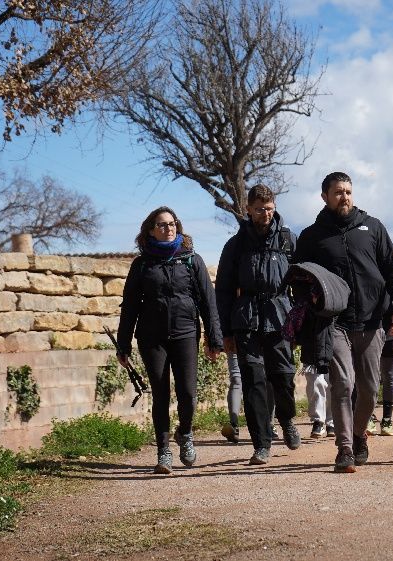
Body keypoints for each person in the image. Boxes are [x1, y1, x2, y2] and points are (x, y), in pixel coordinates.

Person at [294, 171, 393, 473]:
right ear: (325, 197)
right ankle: (344, 448)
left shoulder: (372, 227)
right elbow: (299, 279)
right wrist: (313, 298)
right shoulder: (312, 236)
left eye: (348, 191)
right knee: (343, 383)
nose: (344, 197)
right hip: (335, 323)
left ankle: (359, 435)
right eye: (338, 192)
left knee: (370, 388)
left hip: (372, 321)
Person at [117, 206, 223, 474]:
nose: (168, 228)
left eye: (172, 223)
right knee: (161, 393)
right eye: (162, 225)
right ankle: (163, 451)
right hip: (152, 338)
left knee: (188, 393)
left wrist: (214, 338)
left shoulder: (191, 260)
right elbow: (129, 305)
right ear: (151, 230)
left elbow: (208, 303)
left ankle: (185, 434)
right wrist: (123, 344)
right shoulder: (141, 265)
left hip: (186, 332)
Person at [215, 184, 300, 466]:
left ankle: (287, 419)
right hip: (247, 318)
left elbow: (302, 283)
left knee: (284, 377)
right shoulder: (236, 244)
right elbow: (224, 291)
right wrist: (225, 332)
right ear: (248, 210)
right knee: (253, 381)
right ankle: (261, 443)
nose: (266, 213)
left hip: (280, 316)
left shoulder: (288, 240)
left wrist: (301, 319)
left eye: (270, 208)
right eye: (260, 209)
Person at [305, 363, 335, 438]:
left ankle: (331, 423)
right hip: (312, 354)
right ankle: (318, 421)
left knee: (331, 383)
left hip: (333, 353)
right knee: (314, 382)